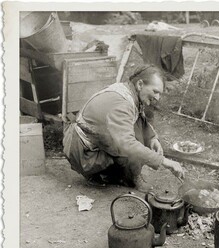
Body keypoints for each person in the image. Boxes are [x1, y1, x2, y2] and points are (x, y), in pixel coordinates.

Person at [63, 64, 185, 192]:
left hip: (94, 140)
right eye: (155, 91)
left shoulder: (130, 92)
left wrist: (152, 138)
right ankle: (99, 175)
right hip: (84, 152)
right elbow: (127, 144)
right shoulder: (121, 104)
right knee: (131, 145)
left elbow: (138, 117)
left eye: (159, 94)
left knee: (136, 134)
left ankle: (119, 173)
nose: (157, 98)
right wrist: (164, 161)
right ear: (140, 84)